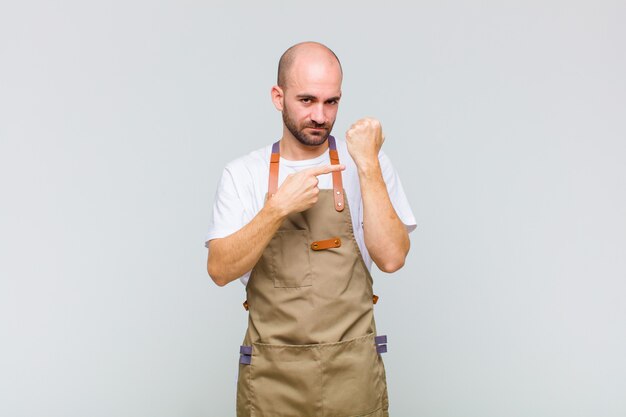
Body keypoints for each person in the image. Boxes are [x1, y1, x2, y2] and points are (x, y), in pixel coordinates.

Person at [205, 41, 416, 417]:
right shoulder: (243, 173)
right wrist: (277, 209)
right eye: (306, 100)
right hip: (272, 382)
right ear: (278, 96)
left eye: (331, 101)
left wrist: (367, 165)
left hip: (354, 378)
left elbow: (393, 258)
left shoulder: (366, 163)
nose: (320, 115)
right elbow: (219, 270)